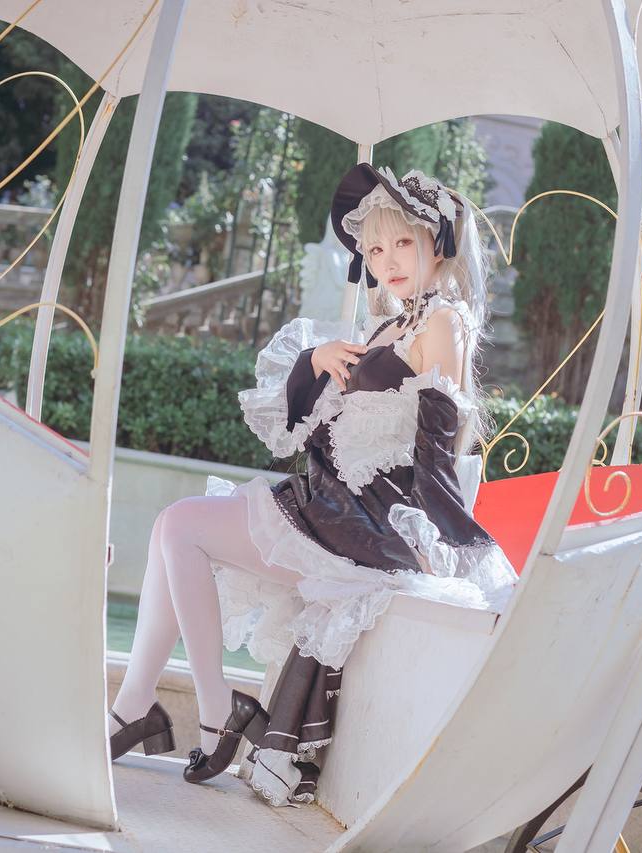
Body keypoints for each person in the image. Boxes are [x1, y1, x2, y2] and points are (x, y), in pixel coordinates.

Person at [106, 164, 517, 806]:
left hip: (369, 522)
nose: (387, 262)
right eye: (374, 250)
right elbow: (322, 427)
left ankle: (208, 712)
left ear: (437, 243)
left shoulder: (443, 321)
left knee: (180, 527)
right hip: (333, 504)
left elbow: (435, 449)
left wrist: (449, 543)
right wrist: (318, 360)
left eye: (401, 243)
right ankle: (140, 704)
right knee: (171, 528)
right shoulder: (394, 325)